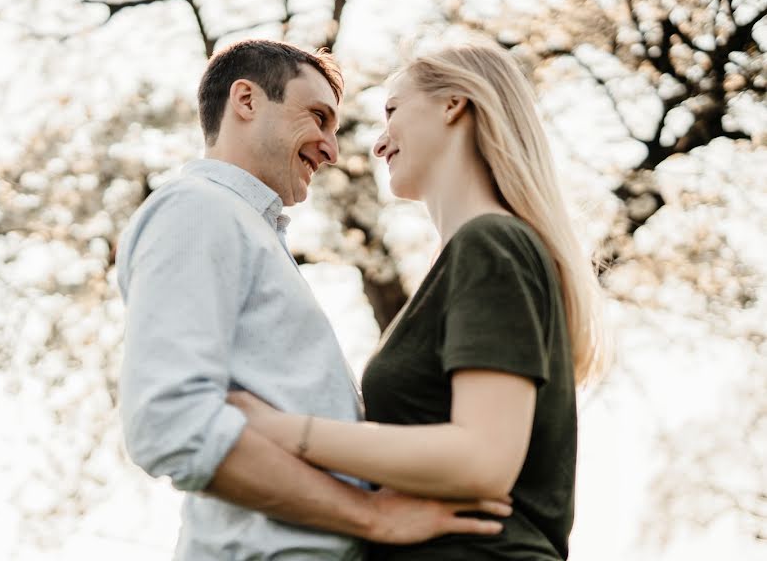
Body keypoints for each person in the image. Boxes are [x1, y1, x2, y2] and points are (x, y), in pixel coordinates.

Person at [116, 39, 512, 561]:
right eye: (317, 117)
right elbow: (169, 424)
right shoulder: (197, 210)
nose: (331, 148)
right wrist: (371, 515)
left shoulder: (248, 232)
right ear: (247, 100)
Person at [228, 37, 612, 560]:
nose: (379, 144)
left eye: (392, 112)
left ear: (455, 104)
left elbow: (482, 459)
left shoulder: (492, 244)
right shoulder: (469, 257)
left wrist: (279, 428)